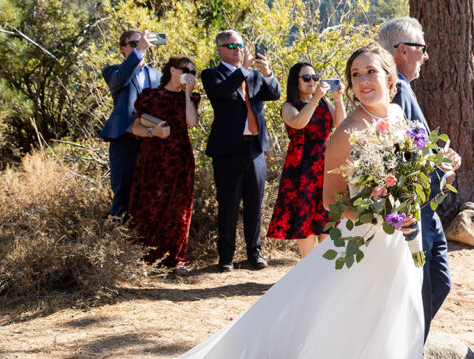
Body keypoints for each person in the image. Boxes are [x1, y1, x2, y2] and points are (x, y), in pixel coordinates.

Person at [39, 42, 446, 359]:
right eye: (355, 75)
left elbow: (415, 173)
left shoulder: (400, 119)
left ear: (390, 77)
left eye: (370, 73)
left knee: (403, 322)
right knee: (357, 324)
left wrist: (421, 181)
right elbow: (329, 201)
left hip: (402, 240)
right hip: (364, 242)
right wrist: (375, 205)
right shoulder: (345, 133)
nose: (362, 82)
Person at [379, 16, 461, 359]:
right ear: (401, 51)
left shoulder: (405, 91)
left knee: (438, 285)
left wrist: (442, 163)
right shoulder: (397, 93)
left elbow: (418, 149)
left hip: (427, 209)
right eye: (421, 47)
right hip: (414, 213)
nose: (426, 55)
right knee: (420, 294)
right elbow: (400, 154)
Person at [201, 30, 281, 272]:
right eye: (232, 45)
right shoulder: (212, 74)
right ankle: (225, 257)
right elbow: (221, 93)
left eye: (240, 44)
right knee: (228, 204)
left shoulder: (254, 75)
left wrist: (267, 73)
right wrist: (243, 70)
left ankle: (254, 253)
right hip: (228, 150)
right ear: (220, 49)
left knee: (255, 203)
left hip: (255, 148)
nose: (238, 49)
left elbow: (275, 94)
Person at [126, 56, 201, 277]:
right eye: (186, 69)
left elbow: (192, 122)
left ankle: (176, 260)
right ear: (172, 70)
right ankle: (143, 258)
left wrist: (187, 94)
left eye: (193, 72)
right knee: (149, 206)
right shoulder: (151, 95)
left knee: (179, 211)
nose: (190, 74)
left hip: (180, 160)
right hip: (154, 160)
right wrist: (154, 132)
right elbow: (136, 126)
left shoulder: (191, 97)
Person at [267, 61, 345, 258]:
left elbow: (341, 126)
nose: (312, 82)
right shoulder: (289, 106)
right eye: (307, 78)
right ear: (296, 81)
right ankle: (308, 265)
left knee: (327, 215)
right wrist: (315, 98)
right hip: (301, 168)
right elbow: (298, 123)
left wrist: (338, 99)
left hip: (326, 166)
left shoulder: (324, 103)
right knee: (304, 215)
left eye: (315, 77)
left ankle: (324, 266)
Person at [99, 30, 162, 220]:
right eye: (134, 44)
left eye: (141, 43)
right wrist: (138, 52)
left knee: (149, 195)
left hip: (150, 141)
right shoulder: (113, 71)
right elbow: (121, 80)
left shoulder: (157, 75)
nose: (139, 47)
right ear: (124, 48)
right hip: (124, 142)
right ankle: (117, 242)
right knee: (122, 195)